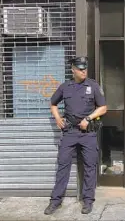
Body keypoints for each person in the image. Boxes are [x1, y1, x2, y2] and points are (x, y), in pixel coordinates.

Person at [44, 56, 107, 215]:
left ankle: (88, 201)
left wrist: (88, 118)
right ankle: (55, 201)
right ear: (73, 70)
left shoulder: (92, 86)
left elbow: (103, 108)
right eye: (80, 69)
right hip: (70, 132)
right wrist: (58, 118)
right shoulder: (65, 87)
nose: (83, 71)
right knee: (63, 166)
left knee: (89, 166)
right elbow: (53, 103)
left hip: (88, 133)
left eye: (85, 68)